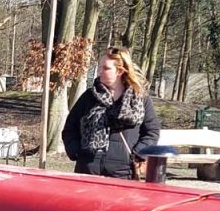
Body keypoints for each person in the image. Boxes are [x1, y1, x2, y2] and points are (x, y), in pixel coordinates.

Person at [61, 46, 161, 179]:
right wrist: (76, 151)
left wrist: (137, 154)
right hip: (88, 169)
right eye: (99, 67)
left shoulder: (140, 98)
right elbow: (70, 128)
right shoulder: (89, 97)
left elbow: (152, 131)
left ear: (119, 70)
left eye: (105, 68)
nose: (99, 72)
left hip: (123, 171)